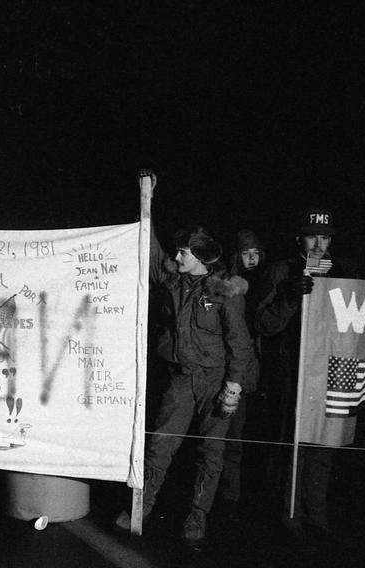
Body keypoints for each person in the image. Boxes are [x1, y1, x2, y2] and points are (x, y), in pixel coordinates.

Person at [115, 171, 255, 546]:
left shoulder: (222, 290)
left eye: (184, 252)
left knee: (211, 453)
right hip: (181, 379)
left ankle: (197, 517)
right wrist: (147, 197)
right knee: (160, 443)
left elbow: (239, 343)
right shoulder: (173, 279)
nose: (177, 256)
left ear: (201, 257)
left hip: (215, 380)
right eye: (178, 251)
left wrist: (234, 386)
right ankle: (141, 507)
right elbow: (152, 248)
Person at [253, 207, 349, 543]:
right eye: (313, 236)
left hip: (328, 373)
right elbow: (265, 324)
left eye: (325, 237)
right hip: (291, 373)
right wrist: (289, 296)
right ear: (299, 238)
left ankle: (318, 515)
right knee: (293, 447)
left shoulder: (339, 272)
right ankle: (290, 516)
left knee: (323, 446)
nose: (319, 243)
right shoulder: (281, 270)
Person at [216, 229, 264, 519]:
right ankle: (227, 496)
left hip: (253, 370)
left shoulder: (263, 280)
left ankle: (234, 495)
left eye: (256, 252)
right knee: (228, 438)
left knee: (241, 437)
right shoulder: (227, 283)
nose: (252, 258)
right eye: (246, 253)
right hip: (234, 370)